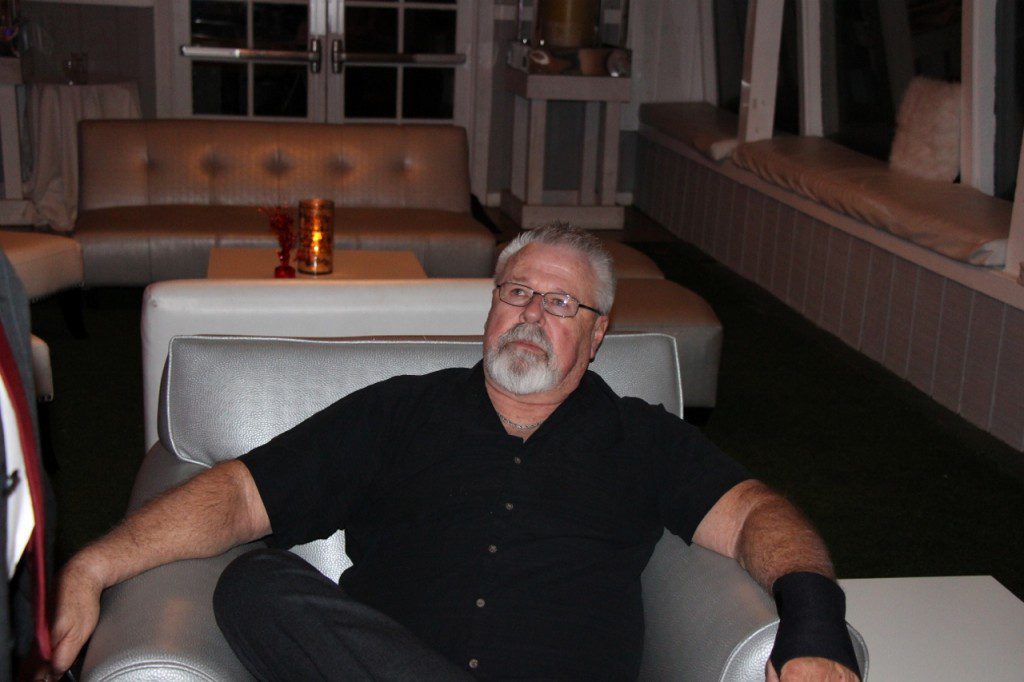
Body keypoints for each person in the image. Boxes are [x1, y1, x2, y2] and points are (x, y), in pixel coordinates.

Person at [49, 224, 860, 681]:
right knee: (255, 582)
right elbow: (237, 495)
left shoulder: (641, 438)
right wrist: (94, 566)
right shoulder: (400, 412)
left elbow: (756, 515)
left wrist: (815, 625)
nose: (531, 314)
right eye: (516, 292)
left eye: (561, 303)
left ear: (598, 333)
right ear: (491, 308)